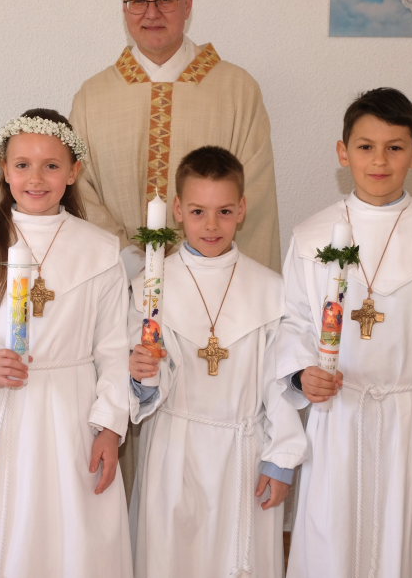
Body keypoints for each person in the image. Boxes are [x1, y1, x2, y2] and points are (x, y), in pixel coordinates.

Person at [276, 88, 412, 577]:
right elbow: (293, 322)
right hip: (338, 414)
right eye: (365, 146)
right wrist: (301, 374)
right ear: (343, 152)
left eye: (395, 147)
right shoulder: (310, 237)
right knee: (333, 540)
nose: (379, 160)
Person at [0, 110, 132, 578]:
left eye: (51, 166)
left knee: (66, 535)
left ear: (73, 172)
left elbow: (114, 347)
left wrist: (109, 426)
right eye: (22, 165)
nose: (35, 178)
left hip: (70, 413)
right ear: (5, 169)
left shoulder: (99, 250)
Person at [128, 146, 306, 578]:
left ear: (242, 209)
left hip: (244, 453)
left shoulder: (270, 289)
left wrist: (282, 458)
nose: (211, 225)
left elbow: (278, 382)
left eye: (224, 211)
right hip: (174, 448)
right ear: (177, 210)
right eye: (198, 211)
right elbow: (143, 380)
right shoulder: (150, 286)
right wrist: (142, 375)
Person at [69, 0, 281, 277]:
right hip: (120, 277)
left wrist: (206, 260)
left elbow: (254, 192)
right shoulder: (92, 97)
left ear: (188, 4)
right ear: (124, 7)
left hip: (213, 277)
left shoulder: (237, 90)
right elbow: (79, 189)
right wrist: (127, 258)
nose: (151, 13)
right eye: (138, 1)